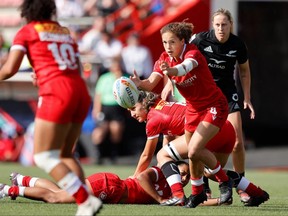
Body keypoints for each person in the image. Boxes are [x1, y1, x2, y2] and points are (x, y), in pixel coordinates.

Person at [0, 1, 102, 215]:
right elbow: (69, 64)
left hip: (57, 93)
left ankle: (85, 201)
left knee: (44, 156)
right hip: (80, 92)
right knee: (65, 153)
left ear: (26, 12)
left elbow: (10, 69)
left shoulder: (27, 31)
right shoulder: (63, 32)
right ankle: (84, 203)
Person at [130, 21, 233, 208]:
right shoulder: (164, 57)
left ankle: (225, 181)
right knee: (194, 155)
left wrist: (171, 71)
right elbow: (151, 83)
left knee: (194, 150)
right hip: (193, 110)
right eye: (164, 43)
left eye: (172, 42)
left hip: (214, 105)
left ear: (182, 41)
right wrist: (139, 83)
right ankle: (198, 193)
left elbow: (185, 67)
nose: (168, 47)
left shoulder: (192, 53)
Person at [190, 8, 255, 202]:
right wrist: (170, 85)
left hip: (227, 95)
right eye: (217, 24)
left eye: (224, 25)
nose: (220, 28)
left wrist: (247, 97)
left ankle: (241, 186)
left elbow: (244, 71)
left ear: (230, 25)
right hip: (204, 96)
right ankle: (205, 187)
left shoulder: (238, 44)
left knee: (237, 142)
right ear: (212, 25)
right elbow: (183, 59)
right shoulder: (200, 40)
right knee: (202, 143)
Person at [0, 161, 201, 205]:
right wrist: (158, 199)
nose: (182, 178)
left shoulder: (173, 193)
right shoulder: (161, 174)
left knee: (60, 191)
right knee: (55, 199)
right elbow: (141, 177)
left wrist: (218, 201)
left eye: (185, 176)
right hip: (108, 186)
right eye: (181, 173)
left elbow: (194, 201)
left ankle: (23, 179)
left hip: (110, 186)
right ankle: (9, 189)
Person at [91, 58, 127, 164]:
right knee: (99, 132)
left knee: (116, 130)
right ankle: (98, 155)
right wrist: (96, 110)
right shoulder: (104, 78)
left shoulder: (124, 78)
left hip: (117, 107)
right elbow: (98, 95)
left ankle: (113, 155)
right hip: (105, 108)